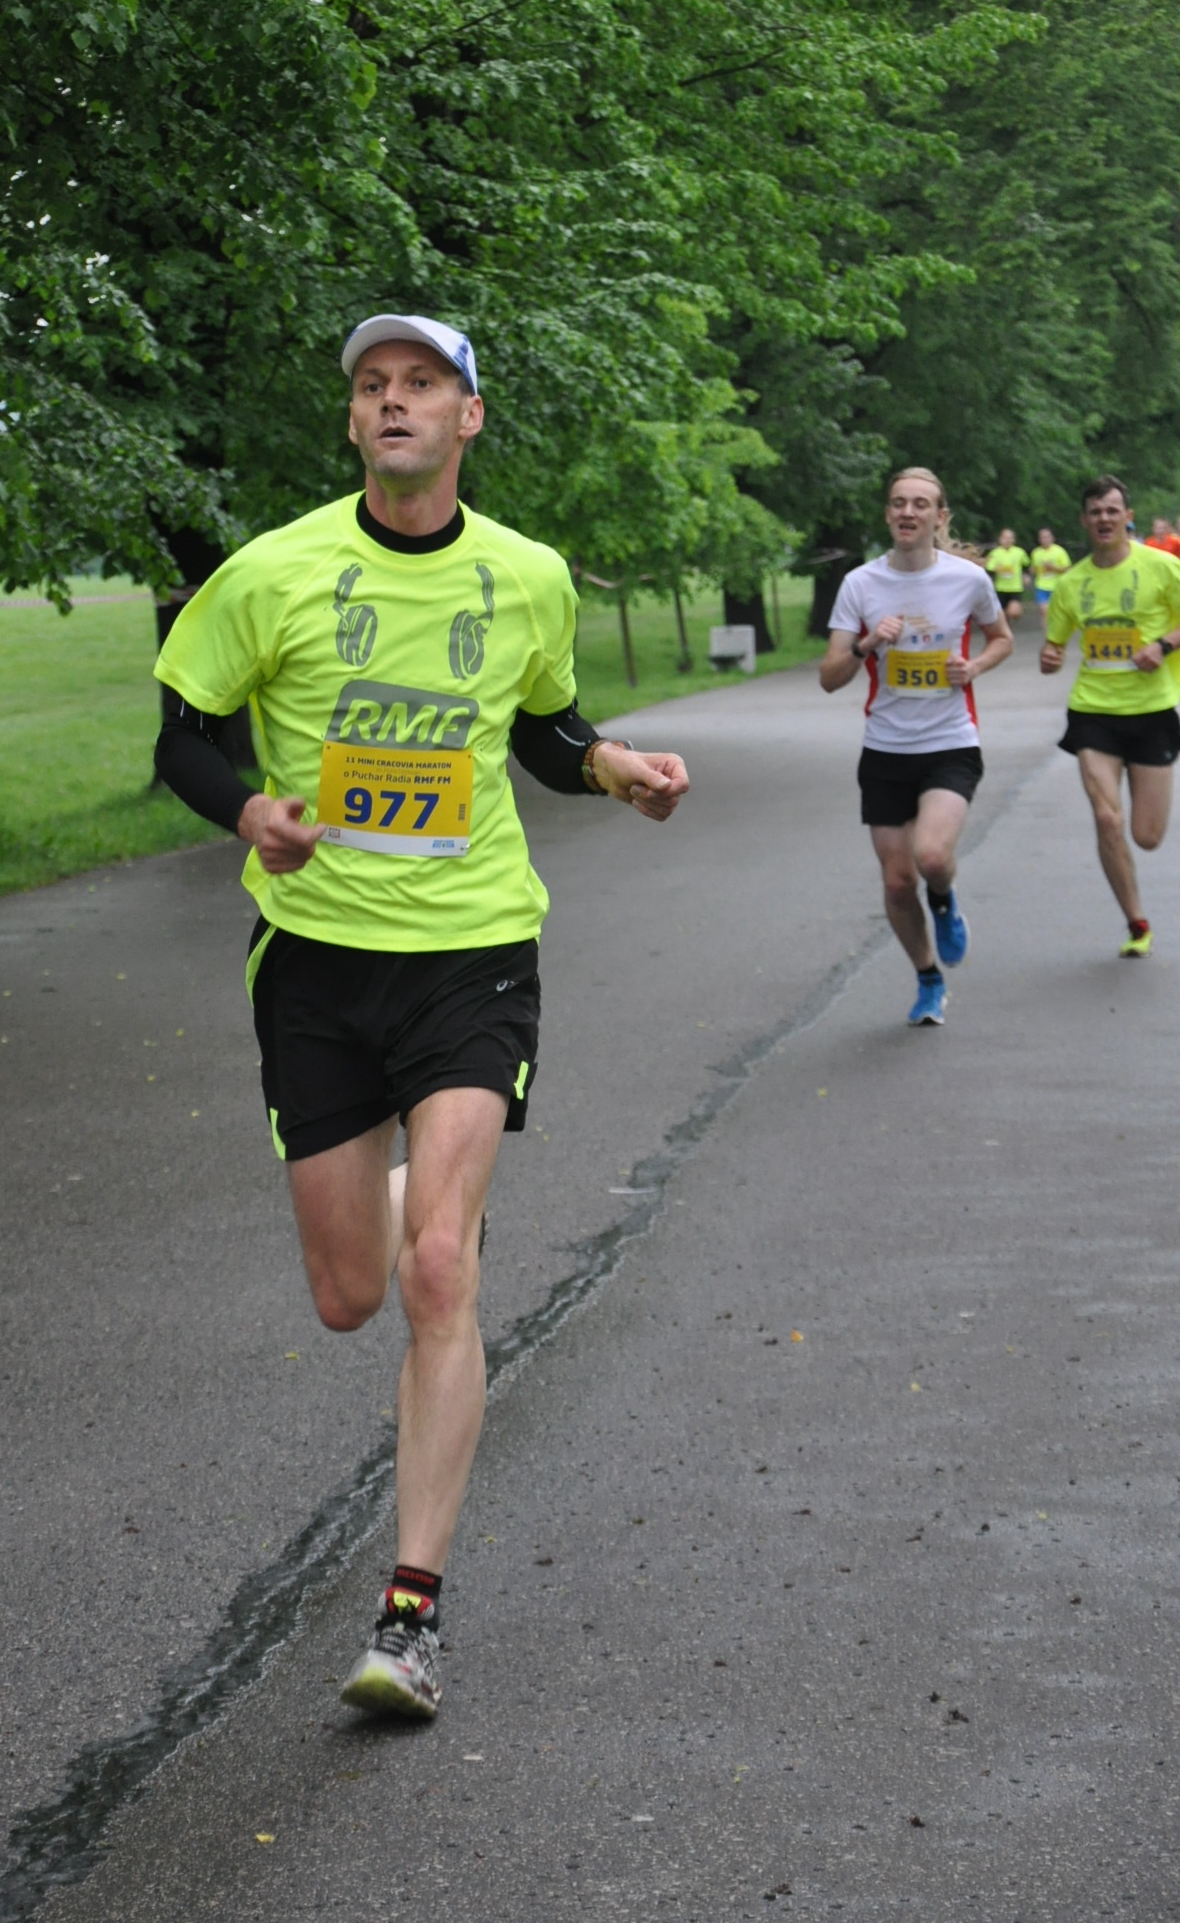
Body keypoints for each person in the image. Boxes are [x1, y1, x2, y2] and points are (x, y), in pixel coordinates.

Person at [151, 313, 689, 1719]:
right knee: (349, 1296)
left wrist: (616, 768)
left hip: (472, 951)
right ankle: (422, 1193)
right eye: (373, 387)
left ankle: (410, 1618)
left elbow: (544, 730)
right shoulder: (272, 570)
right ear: (352, 423)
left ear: (468, 417)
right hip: (316, 964)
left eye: (422, 384)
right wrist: (249, 811)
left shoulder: (527, 575)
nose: (394, 403)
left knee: (440, 1272)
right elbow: (182, 734)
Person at [820, 467, 1014, 1025]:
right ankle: (928, 977)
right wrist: (866, 644)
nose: (908, 512)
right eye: (899, 503)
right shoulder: (860, 584)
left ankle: (945, 899)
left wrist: (972, 667)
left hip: (951, 742)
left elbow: (1001, 639)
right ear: (888, 515)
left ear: (939, 517)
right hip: (885, 750)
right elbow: (829, 677)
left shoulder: (967, 580)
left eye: (921, 504)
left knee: (930, 858)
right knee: (897, 882)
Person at [1040, 474, 1180, 957]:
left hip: (1152, 710)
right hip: (1092, 712)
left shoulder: (1162, 567)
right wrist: (1050, 656)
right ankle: (1137, 923)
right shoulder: (1071, 583)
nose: (1104, 518)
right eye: (1095, 512)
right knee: (1105, 817)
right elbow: (1054, 645)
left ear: (1128, 517)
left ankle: (1137, 910)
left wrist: (1163, 645)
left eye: (1112, 510)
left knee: (1147, 836)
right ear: (1084, 520)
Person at [984, 527, 1027, 623]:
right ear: (1000, 539)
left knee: (1014, 613)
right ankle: (1006, 627)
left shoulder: (1020, 552)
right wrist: (995, 569)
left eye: (1010, 538)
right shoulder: (994, 553)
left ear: (1013, 540)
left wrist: (1026, 575)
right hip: (1000, 588)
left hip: (1015, 588)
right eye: (1005, 538)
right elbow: (989, 568)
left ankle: (1015, 612)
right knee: (1003, 616)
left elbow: (1026, 565)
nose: (1007, 540)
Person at [1030, 527, 1071, 610]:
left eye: (1047, 537)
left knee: (1057, 611)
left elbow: (1068, 570)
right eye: (1043, 537)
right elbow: (1033, 569)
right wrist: (1030, 573)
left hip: (1057, 587)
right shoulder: (1036, 553)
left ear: (1052, 538)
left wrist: (1053, 567)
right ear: (1039, 540)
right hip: (1041, 586)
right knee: (1044, 611)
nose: (1045, 540)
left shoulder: (1060, 551)